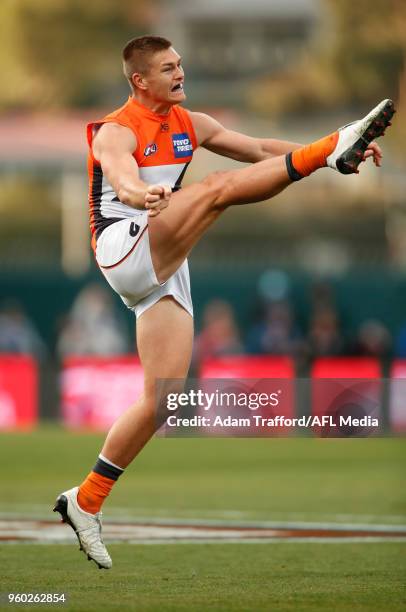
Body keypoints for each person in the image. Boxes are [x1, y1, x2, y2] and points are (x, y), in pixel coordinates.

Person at [53, 35, 394, 569]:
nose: (179, 72)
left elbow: (259, 150)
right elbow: (119, 174)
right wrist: (141, 193)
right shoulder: (115, 130)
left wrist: (327, 152)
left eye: (180, 63)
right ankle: (333, 147)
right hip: (124, 243)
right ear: (140, 80)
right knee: (216, 188)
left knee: (163, 398)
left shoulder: (192, 123)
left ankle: (86, 500)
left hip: (163, 254)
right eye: (168, 68)